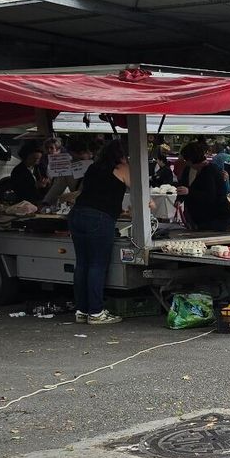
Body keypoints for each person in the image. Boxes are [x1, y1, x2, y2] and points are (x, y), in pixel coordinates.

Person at [68, 139, 129, 325]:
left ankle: (81, 310)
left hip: (77, 214)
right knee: (97, 264)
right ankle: (96, 312)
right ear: (123, 155)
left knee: (82, 263)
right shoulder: (122, 168)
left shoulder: (94, 167)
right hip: (99, 218)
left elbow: (86, 192)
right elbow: (140, 191)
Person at [175, 140, 230, 232]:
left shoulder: (211, 171)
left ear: (191, 159)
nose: (185, 162)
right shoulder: (188, 169)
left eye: (186, 160)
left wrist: (189, 192)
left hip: (217, 217)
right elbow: (183, 185)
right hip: (199, 216)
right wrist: (179, 199)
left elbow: (211, 196)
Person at [0, 140, 47, 206]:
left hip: (40, 202)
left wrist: (46, 183)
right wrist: (35, 186)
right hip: (25, 203)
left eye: (38, 159)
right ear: (25, 156)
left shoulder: (39, 168)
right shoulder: (18, 171)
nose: (36, 161)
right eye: (33, 158)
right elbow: (18, 190)